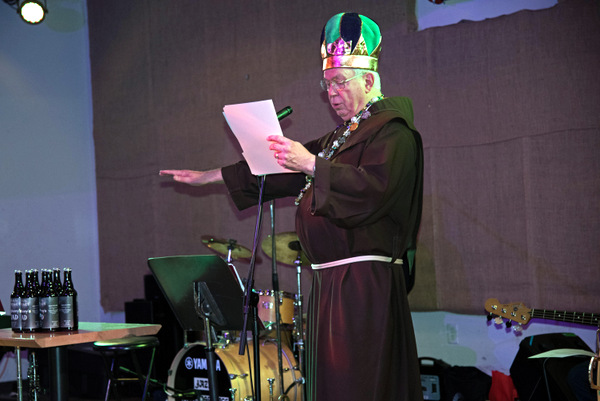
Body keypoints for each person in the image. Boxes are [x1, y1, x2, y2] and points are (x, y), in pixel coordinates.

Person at [161, 12, 424, 401]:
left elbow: (373, 190)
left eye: (339, 82)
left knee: (362, 385)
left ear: (369, 80)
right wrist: (208, 176)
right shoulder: (342, 137)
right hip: (331, 283)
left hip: (364, 284)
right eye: (327, 84)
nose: (331, 92)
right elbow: (279, 171)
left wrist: (310, 164)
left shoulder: (394, 133)